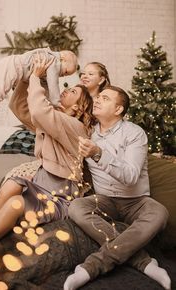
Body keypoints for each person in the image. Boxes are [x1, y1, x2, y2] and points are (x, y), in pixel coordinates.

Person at [0, 55, 95, 290]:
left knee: (14, 203)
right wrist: (26, 77)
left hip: (58, 197)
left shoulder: (76, 127)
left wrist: (35, 77)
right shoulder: (55, 120)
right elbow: (20, 107)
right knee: (13, 182)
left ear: (78, 107)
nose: (65, 90)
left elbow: (41, 112)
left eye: (72, 91)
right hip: (41, 185)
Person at [64, 85, 171, 290]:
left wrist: (98, 153)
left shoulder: (134, 133)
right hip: (105, 199)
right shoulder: (87, 133)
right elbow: (53, 111)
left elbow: (130, 176)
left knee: (159, 213)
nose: (98, 100)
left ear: (118, 109)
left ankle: (91, 267)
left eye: (105, 98)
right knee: (76, 207)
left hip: (137, 200)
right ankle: (144, 262)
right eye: (98, 97)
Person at [0, 47, 78, 126]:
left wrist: (48, 101)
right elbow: (53, 83)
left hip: (9, 62)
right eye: (65, 72)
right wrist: (56, 102)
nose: (63, 75)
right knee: (0, 90)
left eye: (66, 75)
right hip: (15, 66)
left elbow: (45, 86)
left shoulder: (47, 61)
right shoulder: (54, 62)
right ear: (62, 59)